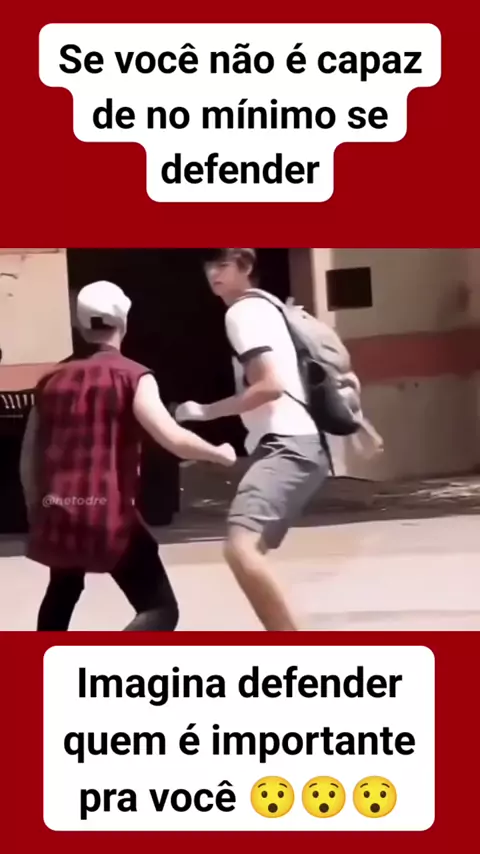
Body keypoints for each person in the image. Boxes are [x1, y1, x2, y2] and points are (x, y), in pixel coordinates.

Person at [20, 280, 236, 631]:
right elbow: (172, 437)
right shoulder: (133, 376)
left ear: (80, 325)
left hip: (59, 509)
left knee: (63, 589)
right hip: (109, 516)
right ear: (123, 321)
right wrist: (219, 453)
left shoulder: (50, 380)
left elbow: (29, 456)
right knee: (160, 608)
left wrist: (37, 507)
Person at [175, 249, 329, 631]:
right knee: (250, 549)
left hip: (287, 445)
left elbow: (269, 386)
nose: (213, 273)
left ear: (245, 267)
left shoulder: (242, 313)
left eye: (222, 264)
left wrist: (203, 411)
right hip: (295, 443)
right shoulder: (266, 307)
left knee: (241, 549)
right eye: (208, 264)